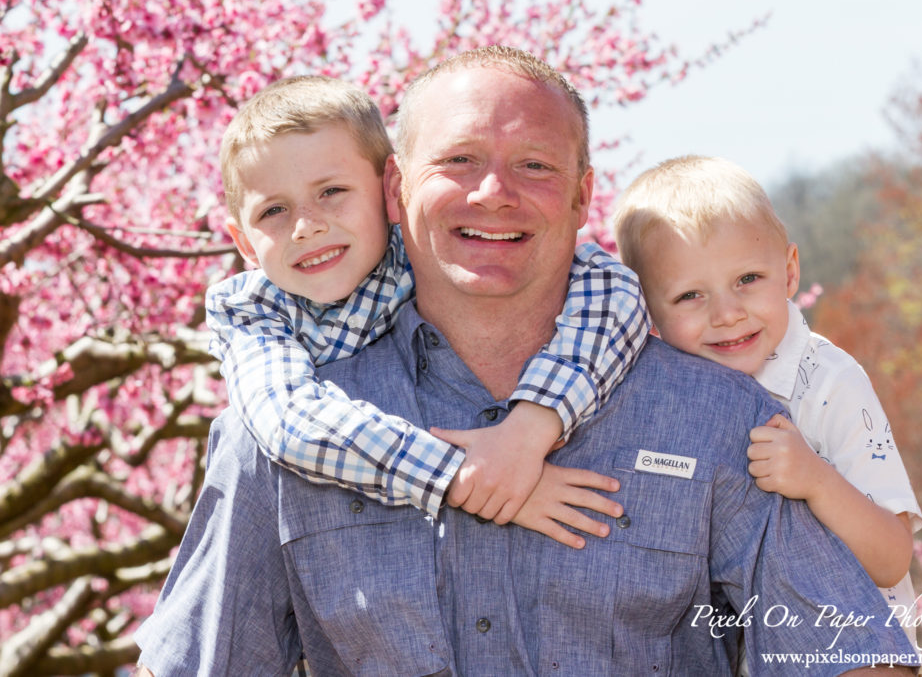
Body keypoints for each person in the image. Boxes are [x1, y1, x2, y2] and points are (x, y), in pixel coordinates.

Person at [135, 47, 919, 675]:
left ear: (583, 198)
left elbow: (846, 654)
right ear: (396, 187)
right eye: (460, 161)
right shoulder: (277, 436)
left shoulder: (723, 420)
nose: (495, 193)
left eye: (534, 166)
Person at [202, 75, 649, 546]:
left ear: (390, 193)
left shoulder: (426, 252)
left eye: (332, 191)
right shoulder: (252, 314)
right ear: (244, 243)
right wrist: (470, 476)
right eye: (273, 211)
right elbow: (291, 422)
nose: (306, 227)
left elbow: (613, 290)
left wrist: (533, 425)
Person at [612, 155, 922, 645]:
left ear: (791, 273)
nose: (728, 313)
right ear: (647, 309)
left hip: (846, 652)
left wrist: (817, 480)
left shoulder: (830, 384)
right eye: (691, 295)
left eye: (748, 280)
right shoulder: (657, 404)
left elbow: (891, 559)